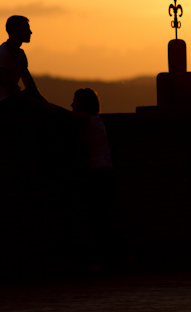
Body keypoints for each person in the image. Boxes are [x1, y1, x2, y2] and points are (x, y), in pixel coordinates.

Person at [71, 88, 131, 270]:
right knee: (102, 219)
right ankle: (117, 257)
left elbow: (65, 117)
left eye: (75, 101)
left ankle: (116, 257)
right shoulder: (97, 121)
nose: (72, 104)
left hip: (99, 175)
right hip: (105, 174)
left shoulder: (88, 121)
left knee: (99, 220)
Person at [0, 15, 53, 116]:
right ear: (16, 30)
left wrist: (47, 105)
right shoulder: (2, 54)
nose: (30, 32)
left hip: (13, 99)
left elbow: (30, 86)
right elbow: (12, 90)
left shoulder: (20, 54)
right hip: (2, 103)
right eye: (27, 29)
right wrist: (42, 105)